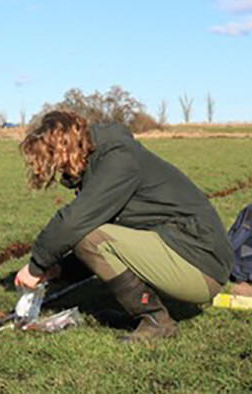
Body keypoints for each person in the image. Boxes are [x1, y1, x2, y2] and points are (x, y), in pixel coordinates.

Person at [14, 111, 233, 341]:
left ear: (64, 148)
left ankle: (156, 321)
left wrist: (36, 267)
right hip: (187, 254)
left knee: (89, 237)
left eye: (54, 160)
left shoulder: (118, 160)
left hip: (201, 264)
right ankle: (140, 316)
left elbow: (73, 224)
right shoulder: (102, 162)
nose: (58, 171)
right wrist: (58, 270)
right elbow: (109, 237)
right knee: (92, 236)